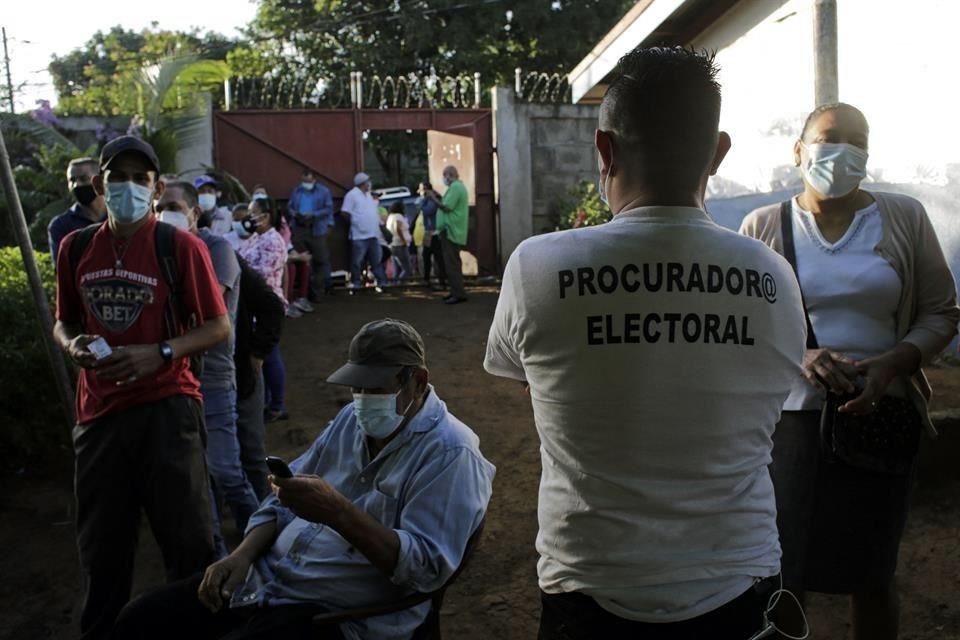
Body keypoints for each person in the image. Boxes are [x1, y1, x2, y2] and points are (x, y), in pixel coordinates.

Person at [484, 47, 807, 640]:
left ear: (604, 151)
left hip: (589, 587)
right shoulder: (774, 278)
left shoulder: (537, 267)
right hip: (737, 582)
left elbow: (537, 377)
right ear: (718, 153)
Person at [113, 318, 495, 640]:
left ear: (418, 380)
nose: (362, 399)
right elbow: (285, 495)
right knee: (139, 619)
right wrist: (241, 555)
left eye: (375, 389)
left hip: (334, 613)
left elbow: (426, 569)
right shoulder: (351, 420)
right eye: (356, 387)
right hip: (263, 581)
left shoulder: (451, 455)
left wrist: (339, 513)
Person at [739, 102, 960, 640]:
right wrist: (801, 355)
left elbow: (942, 310)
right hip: (788, 424)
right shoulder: (762, 227)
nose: (841, 150)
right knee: (787, 568)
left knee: (873, 569)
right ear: (799, 149)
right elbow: (743, 326)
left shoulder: (903, 216)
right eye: (827, 137)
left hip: (882, 416)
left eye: (856, 140)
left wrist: (895, 362)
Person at [53, 135, 231, 639]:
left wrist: (162, 352)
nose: (128, 186)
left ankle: (199, 631)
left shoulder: (179, 246)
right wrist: (73, 345)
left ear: (154, 189)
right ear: (99, 185)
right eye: (118, 177)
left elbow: (218, 326)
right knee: (101, 549)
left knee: (189, 546)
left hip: (167, 410)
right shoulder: (76, 248)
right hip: (99, 416)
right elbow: (63, 320)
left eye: (140, 178)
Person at [156, 181, 261, 555]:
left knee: (226, 471)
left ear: (193, 212)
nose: (164, 213)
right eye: (159, 207)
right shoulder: (158, 250)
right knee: (198, 478)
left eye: (173, 205)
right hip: (172, 378)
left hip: (213, 376)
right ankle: (215, 556)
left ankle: (265, 538)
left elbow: (201, 307)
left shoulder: (217, 249)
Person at [239, 197, 290, 422]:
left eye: (252, 214)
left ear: (266, 216)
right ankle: (270, 401)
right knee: (263, 355)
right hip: (253, 306)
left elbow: (260, 273)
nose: (248, 219)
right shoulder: (256, 238)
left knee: (268, 356)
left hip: (266, 307)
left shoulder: (274, 241)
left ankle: (276, 404)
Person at [48, 157, 107, 265]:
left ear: (100, 181)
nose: (77, 185)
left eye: (84, 179)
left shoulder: (120, 218)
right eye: (72, 180)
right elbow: (62, 269)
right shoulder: (61, 225)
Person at [287, 167, 335, 302]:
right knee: (301, 261)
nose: (305, 183)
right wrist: (294, 213)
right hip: (299, 227)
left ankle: (318, 293)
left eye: (308, 180)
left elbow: (328, 208)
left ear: (314, 179)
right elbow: (290, 206)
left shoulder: (324, 191)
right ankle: (304, 294)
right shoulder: (296, 190)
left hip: (317, 228)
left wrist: (314, 214)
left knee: (319, 261)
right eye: (303, 180)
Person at [429, 165, 469, 304]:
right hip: (452, 230)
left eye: (445, 175)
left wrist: (433, 198)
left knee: (451, 263)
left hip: (451, 230)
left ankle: (458, 293)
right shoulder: (457, 188)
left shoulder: (456, 187)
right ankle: (455, 291)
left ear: (449, 175)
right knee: (453, 262)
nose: (444, 179)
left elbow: (447, 207)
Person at [341, 172, 386, 291]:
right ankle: (356, 283)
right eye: (367, 182)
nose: (369, 184)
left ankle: (381, 283)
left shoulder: (368, 196)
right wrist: (355, 223)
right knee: (357, 262)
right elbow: (345, 212)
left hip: (372, 234)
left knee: (376, 261)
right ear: (362, 183)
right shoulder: (352, 195)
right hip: (359, 236)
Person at [416, 182, 444, 287]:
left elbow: (427, 211)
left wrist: (424, 199)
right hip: (428, 233)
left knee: (438, 258)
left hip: (435, 233)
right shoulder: (428, 200)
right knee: (426, 257)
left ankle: (442, 280)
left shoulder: (432, 200)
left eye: (422, 190)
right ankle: (427, 279)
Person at [386, 201, 413, 283]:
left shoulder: (390, 217)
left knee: (397, 269)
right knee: (407, 269)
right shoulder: (398, 216)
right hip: (400, 245)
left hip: (393, 245)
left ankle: (395, 284)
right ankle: (400, 284)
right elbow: (398, 228)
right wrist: (404, 240)